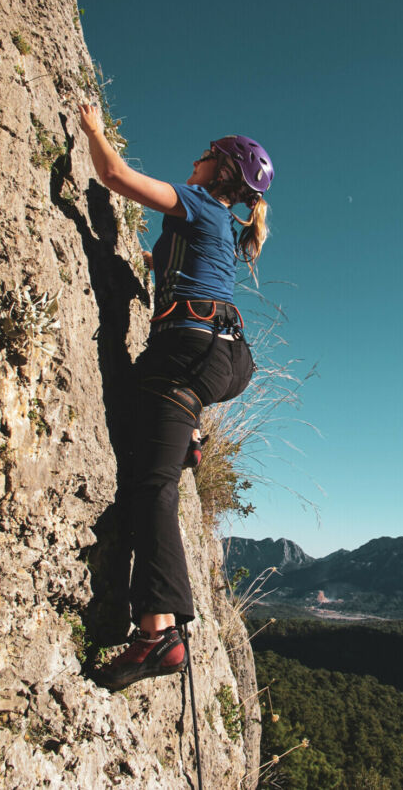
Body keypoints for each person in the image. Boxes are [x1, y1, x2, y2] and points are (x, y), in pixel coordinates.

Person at [78, 104, 274, 689]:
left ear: (220, 172)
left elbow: (115, 177)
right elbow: (169, 266)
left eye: (206, 151)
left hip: (189, 351)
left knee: (152, 484)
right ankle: (185, 428)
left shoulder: (198, 204)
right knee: (153, 468)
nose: (196, 156)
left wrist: (92, 129)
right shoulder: (210, 227)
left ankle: (157, 633)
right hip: (216, 355)